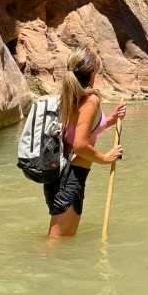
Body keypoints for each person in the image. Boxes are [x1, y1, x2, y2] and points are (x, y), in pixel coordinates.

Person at [45, 48, 126, 239]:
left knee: (58, 240)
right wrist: (106, 158)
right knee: (56, 243)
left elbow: (79, 131)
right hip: (72, 177)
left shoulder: (71, 96)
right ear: (92, 73)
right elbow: (80, 145)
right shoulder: (91, 100)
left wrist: (111, 120)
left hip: (58, 175)